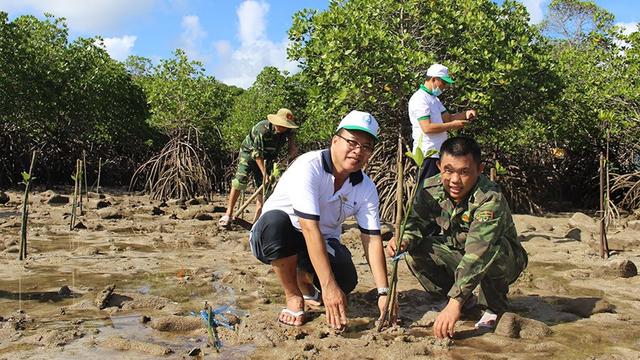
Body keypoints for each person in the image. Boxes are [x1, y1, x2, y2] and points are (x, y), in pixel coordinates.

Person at [249, 110, 390, 329]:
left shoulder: (366, 186)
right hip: (277, 236)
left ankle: (304, 279)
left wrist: (383, 292)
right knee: (276, 223)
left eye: (367, 146)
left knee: (346, 281)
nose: (358, 151)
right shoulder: (309, 166)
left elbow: (371, 239)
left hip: (319, 242)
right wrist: (327, 285)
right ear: (335, 140)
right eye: (352, 142)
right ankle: (293, 295)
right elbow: (308, 227)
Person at [386, 136, 527, 339]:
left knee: (492, 251)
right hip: (459, 250)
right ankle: (466, 300)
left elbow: (479, 254)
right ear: (439, 166)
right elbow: (415, 224)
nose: (454, 180)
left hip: (502, 258)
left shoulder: (489, 199)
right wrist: (404, 240)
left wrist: (454, 303)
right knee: (415, 250)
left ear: (479, 170)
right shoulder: (429, 189)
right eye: (448, 170)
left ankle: (494, 306)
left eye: (464, 172)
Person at [219, 108, 298, 227]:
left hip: (269, 157)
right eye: (281, 125)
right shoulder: (262, 129)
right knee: (240, 180)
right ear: (275, 122)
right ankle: (228, 214)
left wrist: (291, 153)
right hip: (250, 153)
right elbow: (257, 154)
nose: (283, 128)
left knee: (264, 188)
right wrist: (264, 174)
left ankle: (257, 220)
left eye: (285, 126)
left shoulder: (288, 131)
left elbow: (291, 148)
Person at [408, 63, 477, 185]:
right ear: (434, 79)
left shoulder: (434, 99)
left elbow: (448, 118)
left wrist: (466, 114)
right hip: (426, 154)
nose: (445, 87)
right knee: (425, 192)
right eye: (443, 83)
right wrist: (453, 126)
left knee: (438, 192)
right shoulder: (420, 99)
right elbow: (427, 128)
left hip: (438, 154)